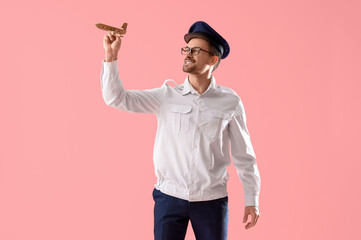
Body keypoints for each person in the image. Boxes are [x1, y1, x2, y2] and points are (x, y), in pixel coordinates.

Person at [100, 21, 261, 240]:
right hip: (169, 198)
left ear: (213, 59)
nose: (188, 54)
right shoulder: (166, 95)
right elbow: (116, 98)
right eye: (187, 49)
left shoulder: (230, 102)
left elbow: (244, 156)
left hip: (211, 201)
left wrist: (252, 199)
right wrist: (111, 57)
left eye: (196, 50)